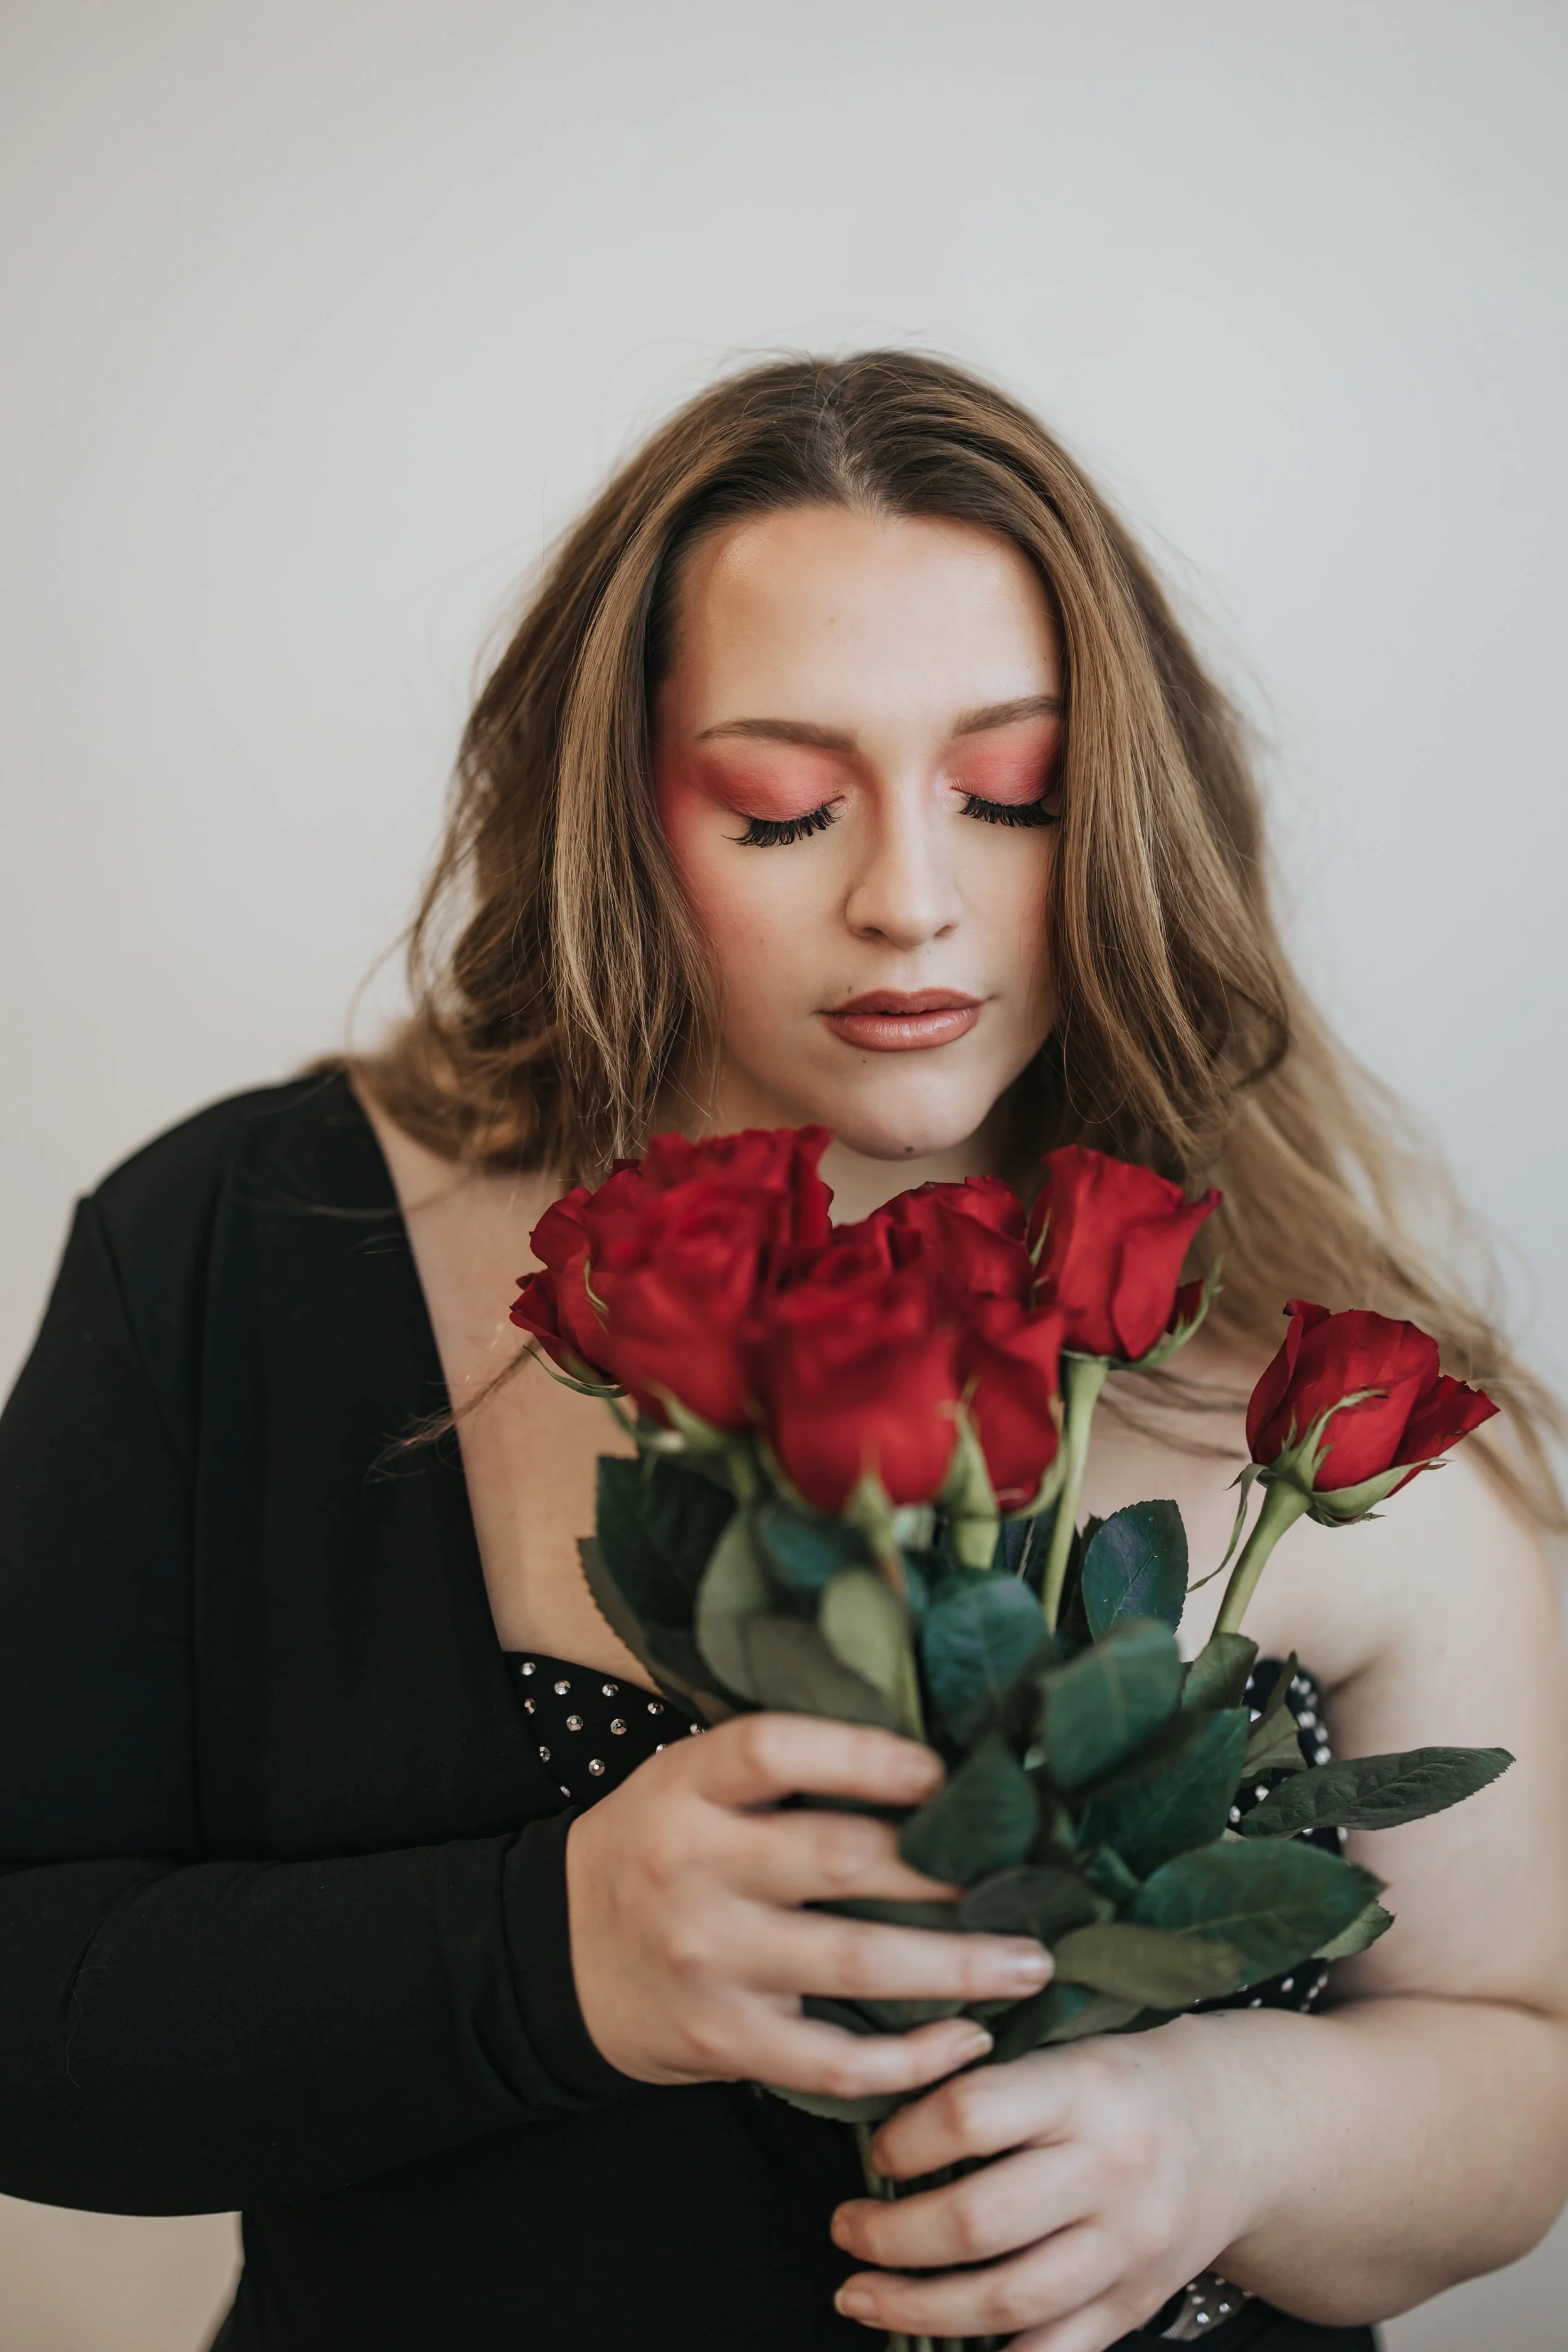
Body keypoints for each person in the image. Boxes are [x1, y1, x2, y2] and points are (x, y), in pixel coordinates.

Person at [2, 352, 1565, 2352]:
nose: (908, 900)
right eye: (781, 805)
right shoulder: (244, 1250)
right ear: (618, 809)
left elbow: (1511, 2070)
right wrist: (544, 1952)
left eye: (1012, 794)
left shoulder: (1320, 1367)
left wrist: (1222, 2134)